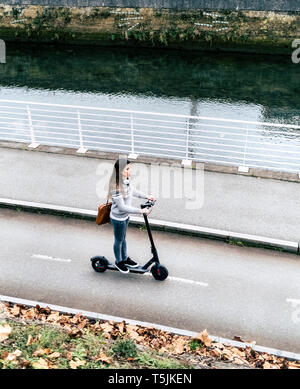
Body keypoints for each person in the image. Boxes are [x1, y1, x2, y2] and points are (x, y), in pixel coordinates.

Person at [108, 158, 155, 274]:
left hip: (125, 217)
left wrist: (147, 196)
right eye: (127, 169)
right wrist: (140, 211)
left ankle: (125, 258)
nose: (130, 171)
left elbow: (133, 191)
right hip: (118, 218)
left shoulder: (126, 180)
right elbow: (122, 207)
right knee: (119, 240)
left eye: (130, 169)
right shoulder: (116, 187)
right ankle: (119, 262)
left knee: (123, 239)